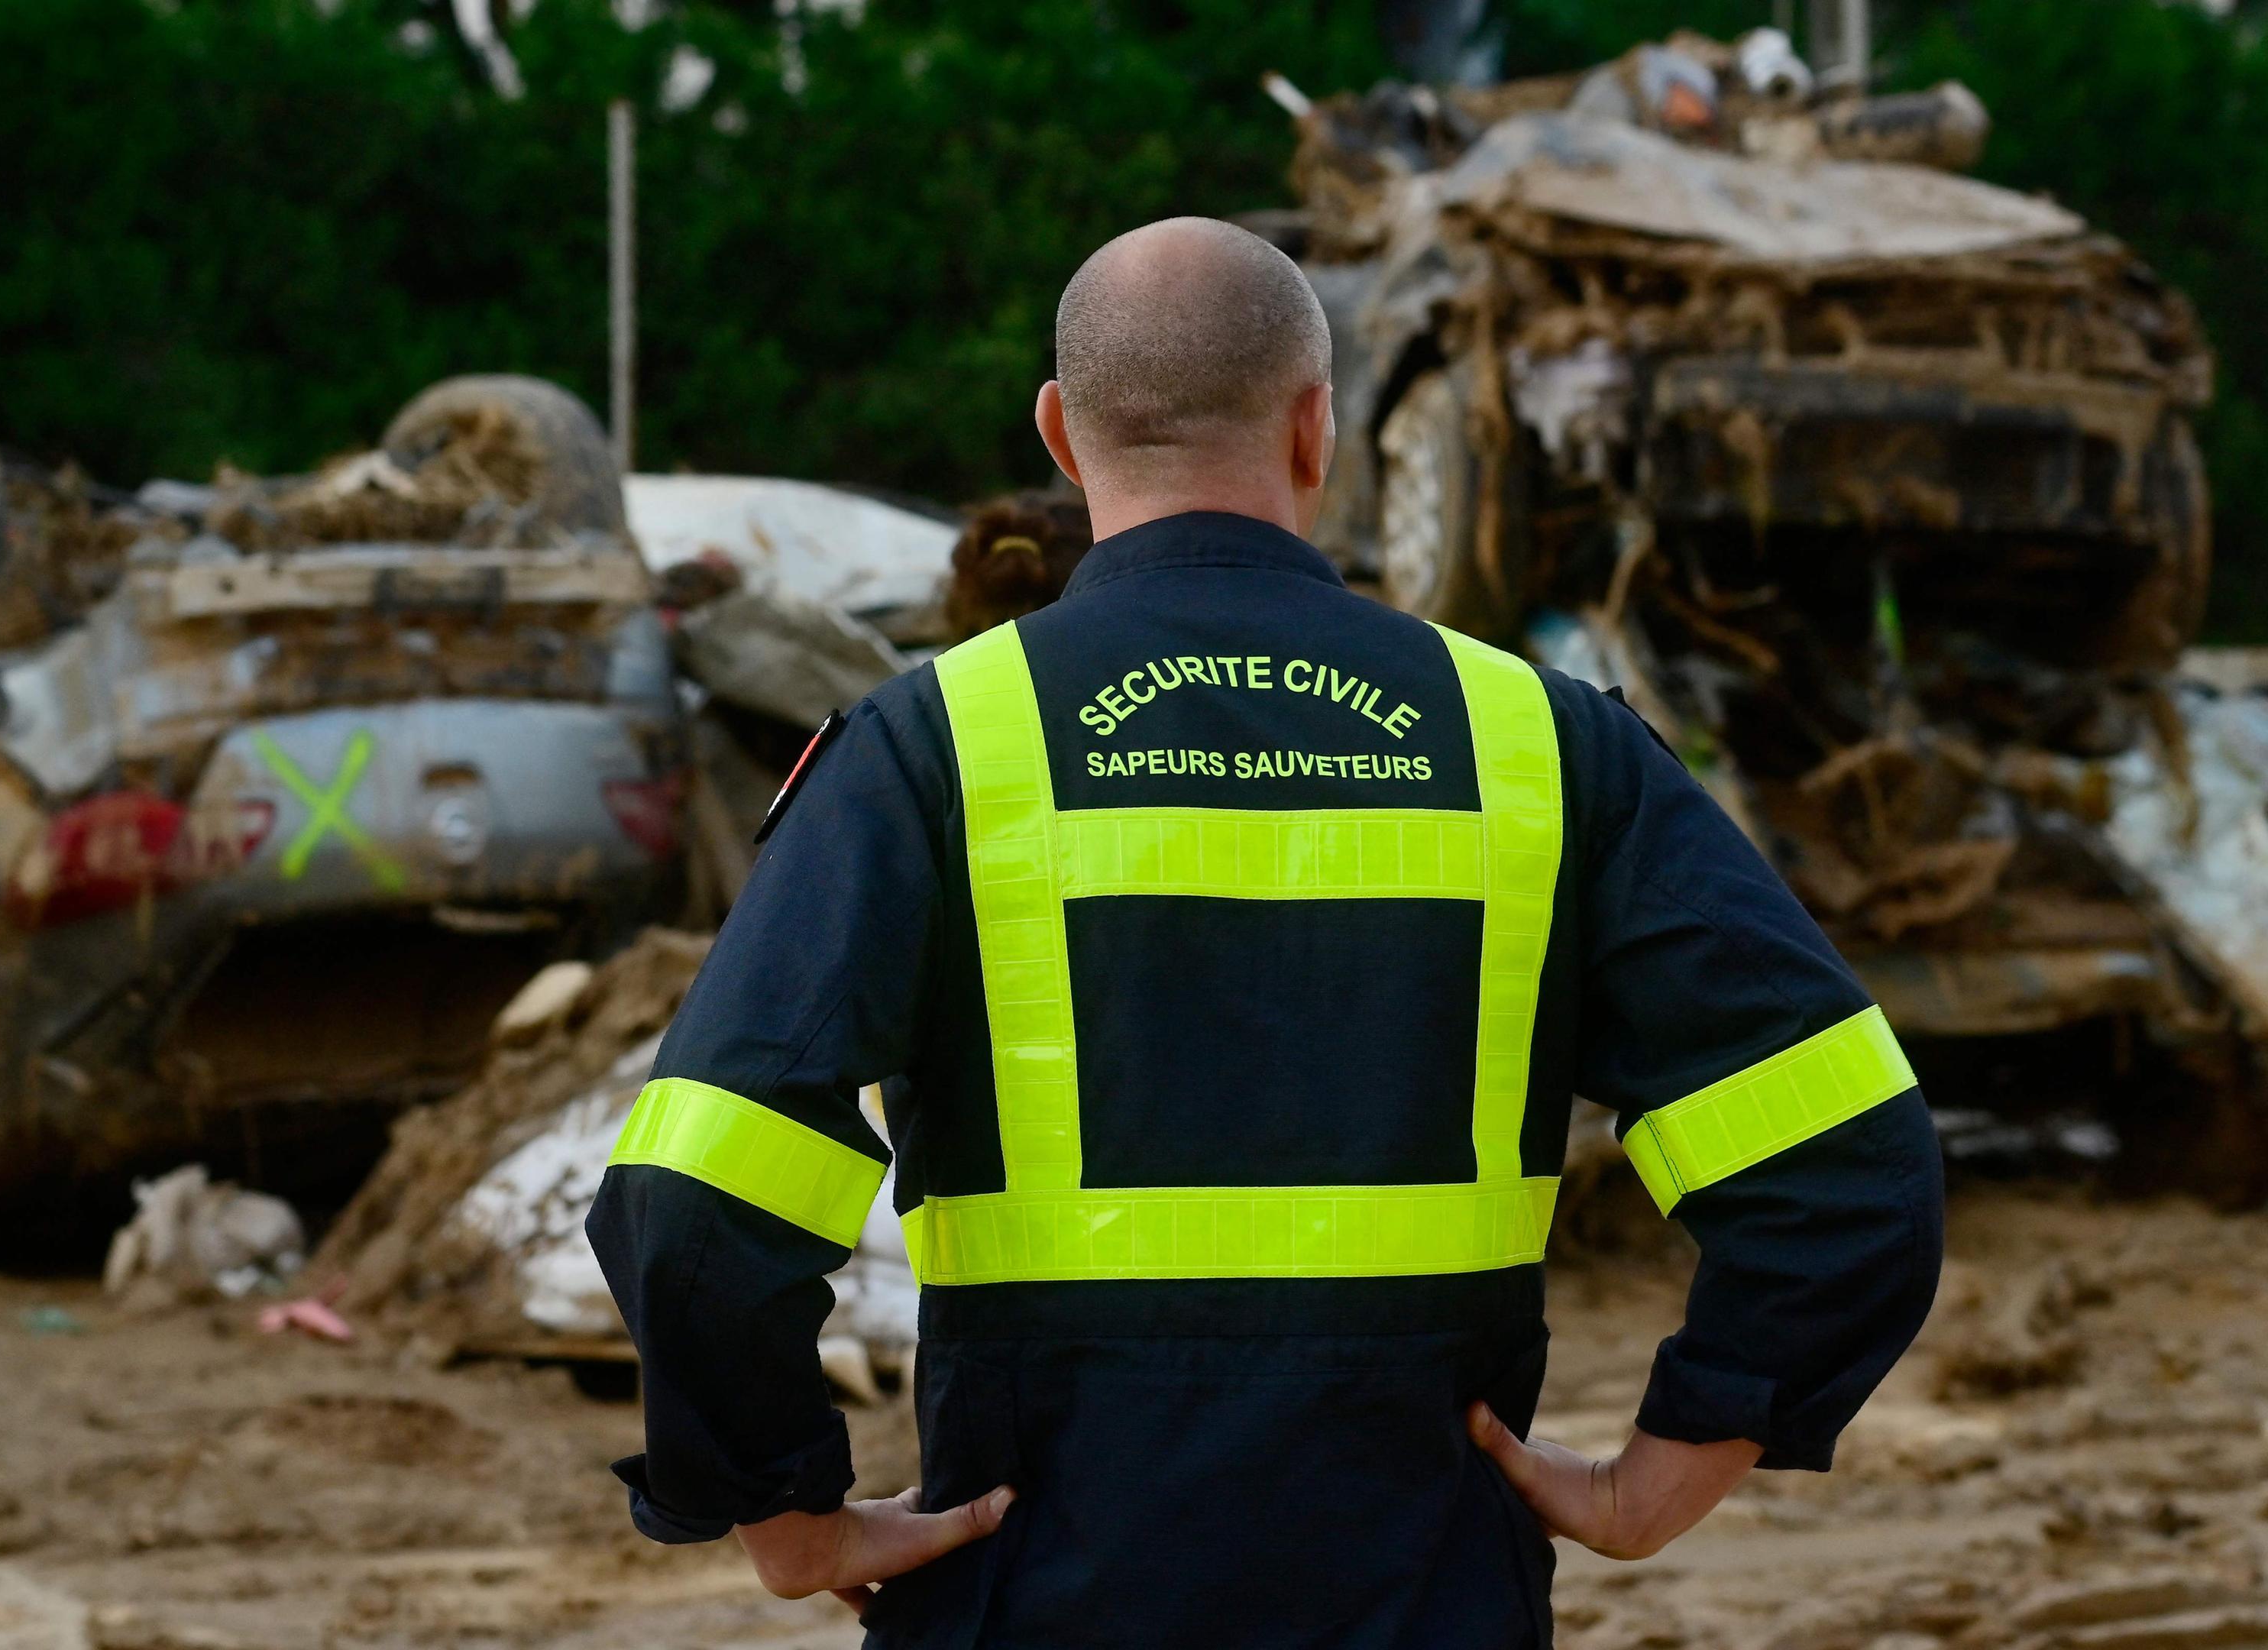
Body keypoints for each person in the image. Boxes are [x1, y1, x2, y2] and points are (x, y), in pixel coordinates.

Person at [587, 216, 1944, 1648]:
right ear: (1319, 430)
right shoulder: (1538, 746)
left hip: (1037, 1598)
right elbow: (1848, 1161)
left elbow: (692, 1206)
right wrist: (1662, 1476)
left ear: (1061, 432)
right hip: (1429, 1598)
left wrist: (787, 1507)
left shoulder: (933, 750)